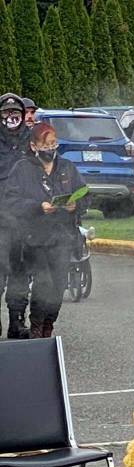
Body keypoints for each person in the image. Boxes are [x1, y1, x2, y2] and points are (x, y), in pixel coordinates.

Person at [2, 122, 88, 337]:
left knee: (58, 285)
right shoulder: (22, 169)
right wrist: (37, 206)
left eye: (54, 144)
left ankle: (49, 324)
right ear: (34, 146)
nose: (51, 148)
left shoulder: (67, 168)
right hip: (33, 239)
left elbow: (85, 194)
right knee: (44, 283)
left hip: (62, 236)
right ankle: (36, 326)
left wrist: (75, 205)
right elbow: (11, 201)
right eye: (46, 145)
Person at [0, 93, 31, 338]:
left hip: (25, 217)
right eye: (6, 113)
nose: (11, 118)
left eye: (15, 114)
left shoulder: (32, 139)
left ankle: (17, 320)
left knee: (21, 271)